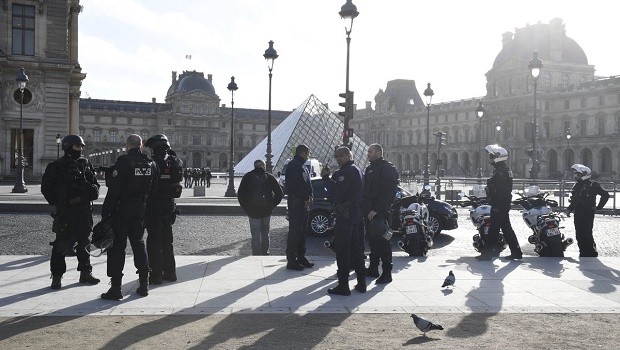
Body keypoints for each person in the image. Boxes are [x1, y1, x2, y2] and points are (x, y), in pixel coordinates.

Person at [100, 134, 158, 300]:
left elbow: (113, 191)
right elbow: (154, 190)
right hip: (140, 209)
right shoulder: (150, 164)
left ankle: (116, 288)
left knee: (118, 247)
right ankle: (144, 285)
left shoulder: (123, 163)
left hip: (122, 209)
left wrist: (106, 215)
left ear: (127, 145)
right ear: (141, 145)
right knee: (139, 244)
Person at [41, 135, 101, 289]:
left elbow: (95, 189)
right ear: (68, 147)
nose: (80, 149)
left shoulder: (86, 165)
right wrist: (56, 204)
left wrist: (87, 189)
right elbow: (46, 188)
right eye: (77, 146)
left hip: (83, 212)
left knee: (84, 243)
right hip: (66, 212)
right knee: (61, 245)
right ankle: (57, 276)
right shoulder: (56, 166)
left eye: (81, 147)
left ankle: (85, 272)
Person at [321, 147, 366, 295]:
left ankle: (343, 285)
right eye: (336, 156)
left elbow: (336, 192)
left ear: (349, 155)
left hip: (345, 216)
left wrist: (326, 178)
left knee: (342, 251)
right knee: (357, 250)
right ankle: (361, 283)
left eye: (341, 156)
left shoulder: (346, 172)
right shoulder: (357, 169)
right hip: (356, 215)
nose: (338, 158)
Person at [144, 134, 184, 284]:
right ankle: (170, 272)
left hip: (153, 206)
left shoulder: (151, 162)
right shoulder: (175, 161)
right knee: (167, 241)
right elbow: (177, 180)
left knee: (154, 241)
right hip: (169, 205)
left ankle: (156, 275)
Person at [362, 143, 399, 284]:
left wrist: (376, 210)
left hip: (379, 212)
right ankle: (373, 268)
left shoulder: (387, 168)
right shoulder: (371, 168)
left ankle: (387, 273)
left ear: (378, 152)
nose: (368, 154)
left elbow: (388, 193)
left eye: (370, 152)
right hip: (370, 211)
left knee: (383, 243)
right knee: (373, 242)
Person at [482, 144, 522, 260]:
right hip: (503, 203)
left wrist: (496, 205)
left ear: (498, 157)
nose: (490, 158)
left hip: (499, 204)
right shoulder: (503, 170)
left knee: (493, 230)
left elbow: (500, 191)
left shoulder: (501, 172)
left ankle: (488, 254)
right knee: (506, 229)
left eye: (492, 156)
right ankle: (516, 252)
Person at [238, 159, 284, 255]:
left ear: (255, 166)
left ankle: (256, 254)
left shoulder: (247, 177)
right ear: (263, 166)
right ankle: (265, 252)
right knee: (265, 233)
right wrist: (273, 205)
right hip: (266, 210)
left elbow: (240, 194)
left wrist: (246, 208)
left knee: (255, 235)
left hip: (252, 211)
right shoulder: (270, 177)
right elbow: (280, 193)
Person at [566, 164, 609, 257]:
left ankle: (591, 253)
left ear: (584, 175)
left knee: (587, 233)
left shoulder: (593, 185)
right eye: (576, 174)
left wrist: (599, 207)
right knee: (579, 234)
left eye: (578, 174)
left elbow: (605, 195)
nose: (576, 176)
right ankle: (583, 252)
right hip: (578, 212)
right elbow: (574, 199)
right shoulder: (576, 185)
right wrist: (569, 209)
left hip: (588, 212)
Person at [285, 144, 314, 270]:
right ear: (303, 153)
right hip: (296, 203)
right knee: (295, 232)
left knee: (302, 232)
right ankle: (291, 260)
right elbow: (295, 185)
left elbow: (307, 183)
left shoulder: (301, 165)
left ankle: (301, 256)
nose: (308, 156)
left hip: (302, 203)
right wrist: (306, 197)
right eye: (308, 153)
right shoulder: (293, 165)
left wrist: (310, 196)